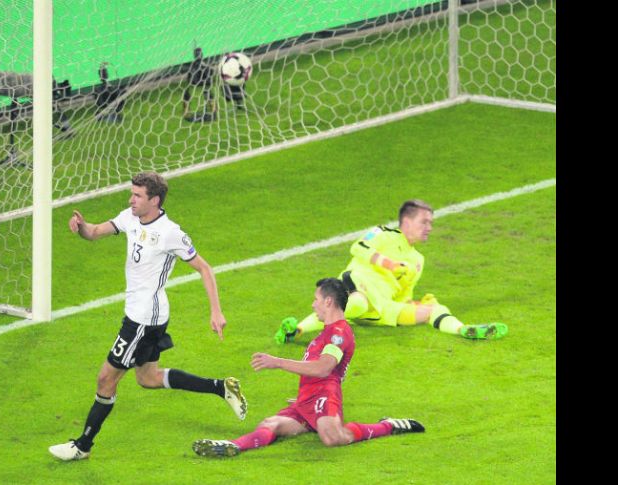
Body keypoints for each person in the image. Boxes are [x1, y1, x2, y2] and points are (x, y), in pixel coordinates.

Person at [49, 171, 247, 461]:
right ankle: (221, 387)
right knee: (149, 378)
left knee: (106, 378)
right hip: (141, 315)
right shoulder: (130, 217)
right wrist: (79, 226)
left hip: (143, 320)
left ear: (154, 200)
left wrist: (216, 311)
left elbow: (204, 268)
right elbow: (93, 233)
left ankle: (82, 445)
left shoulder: (170, 232)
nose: (131, 199)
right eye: (132, 193)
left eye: (137, 195)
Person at [192, 277, 424, 458]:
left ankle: (388, 425)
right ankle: (233, 446)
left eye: (316, 299)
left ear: (328, 301)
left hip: (325, 395)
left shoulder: (339, 333)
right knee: (270, 424)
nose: (313, 304)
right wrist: (304, 397)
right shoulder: (324, 334)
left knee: (333, 438)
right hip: (308, 398)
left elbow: (324, 369)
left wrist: (278, 362)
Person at [274, 200, 508, 344]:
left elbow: (402, 298)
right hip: (357, 285)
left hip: (383, 310)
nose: (429, 228)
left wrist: (417, 303)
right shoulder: (382, 233)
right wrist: (390, 264)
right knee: (357, 301)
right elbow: (358, 247)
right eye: (424, 222)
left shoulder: (418, 260)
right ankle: (297, 330)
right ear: (406, 222)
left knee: (434, 309)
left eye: (431, 223)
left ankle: (464, 330)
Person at [182, 47, 216, 120]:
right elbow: (211, 73)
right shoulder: (204, 64)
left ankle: (186, 112)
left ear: (194, 55)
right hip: (204, 84)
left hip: (195, 83)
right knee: (208, 92)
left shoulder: (193, 65)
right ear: (202, 55)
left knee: (186, 93)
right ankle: (213, 110)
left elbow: (189, 77)